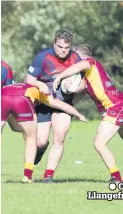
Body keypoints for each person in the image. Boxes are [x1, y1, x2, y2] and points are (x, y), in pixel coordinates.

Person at [53, 44, 123, 182]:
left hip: (116, 105)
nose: (73, 60)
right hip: (122, 103)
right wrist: (69, 98)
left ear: (84, 56)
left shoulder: (90, 62)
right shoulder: (89, 74)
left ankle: (116, 178)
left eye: (75, 56)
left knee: (99, 143)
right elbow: (80, 90)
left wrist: (60, 76)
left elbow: (80, 66)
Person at [24, 28, 81, 182]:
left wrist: (76, 88)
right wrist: (38, 84)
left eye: (66, 48)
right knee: (41, 141)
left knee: (60, 137)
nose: (63, 51)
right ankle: (40, 150)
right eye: (60, 47)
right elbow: (28, 79)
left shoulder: (76, 58)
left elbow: (85, 81)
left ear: (70, 46)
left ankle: (48, 175)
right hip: (44, 103)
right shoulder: (42, 57)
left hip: (64, 104)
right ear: (54, 43)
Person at [1, 83, 87, 184]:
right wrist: (79, 115)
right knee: (31, 138)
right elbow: (62, 105)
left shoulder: (19, 85)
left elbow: (15, 127)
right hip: (22, 99)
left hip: (2, 97)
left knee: (16, 128)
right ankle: (27, 176)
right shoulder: (44, 93)